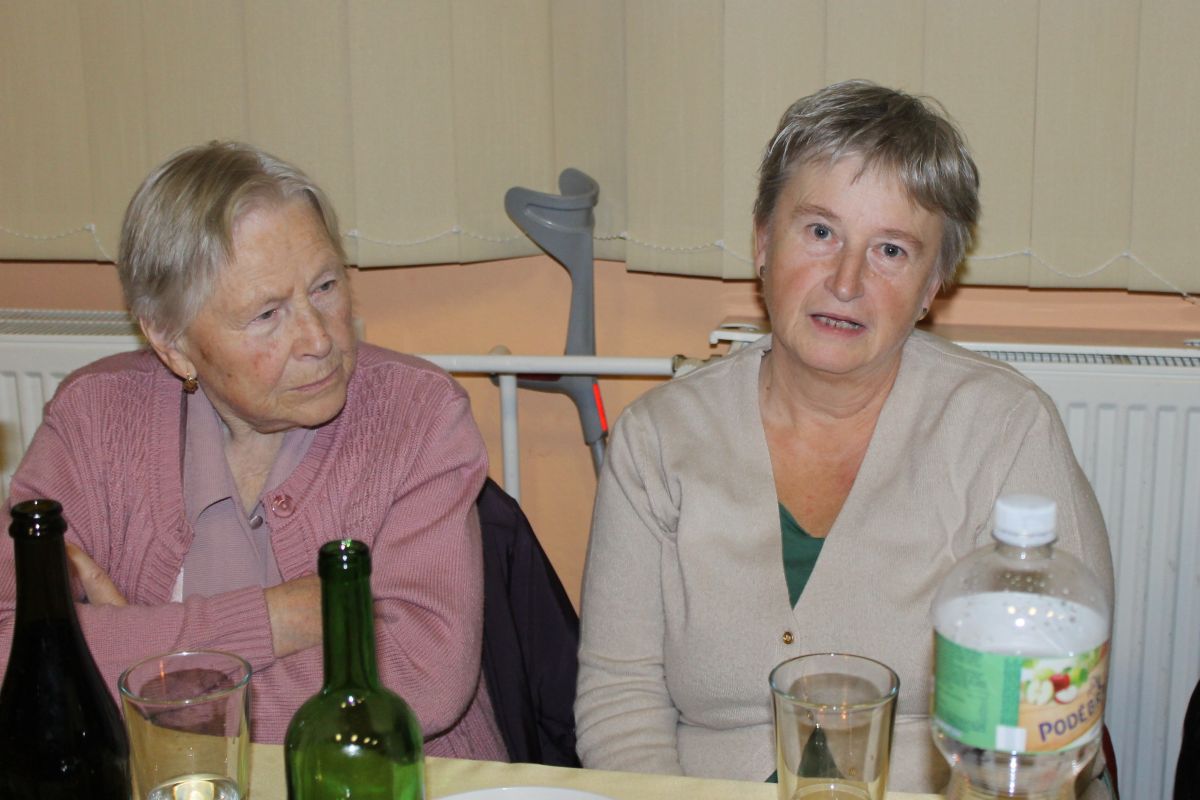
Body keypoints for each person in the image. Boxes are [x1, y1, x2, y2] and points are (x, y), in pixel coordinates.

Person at [574, 81, 1116, 797]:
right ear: (763, 241)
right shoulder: (658, 440)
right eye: (820, 232)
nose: (846, 280)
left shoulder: (1006, 431)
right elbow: (620, 699)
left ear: (933, 285)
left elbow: (1051, 726)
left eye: (890, 249)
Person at [0, 141, 508, 759]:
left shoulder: (417, 415)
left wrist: (152, 684)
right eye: (267, 314)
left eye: (326, 286)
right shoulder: (94, 420)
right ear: (172, 343)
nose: (319, 338)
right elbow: (14, 651)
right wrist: (276, 620)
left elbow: (421, 675)